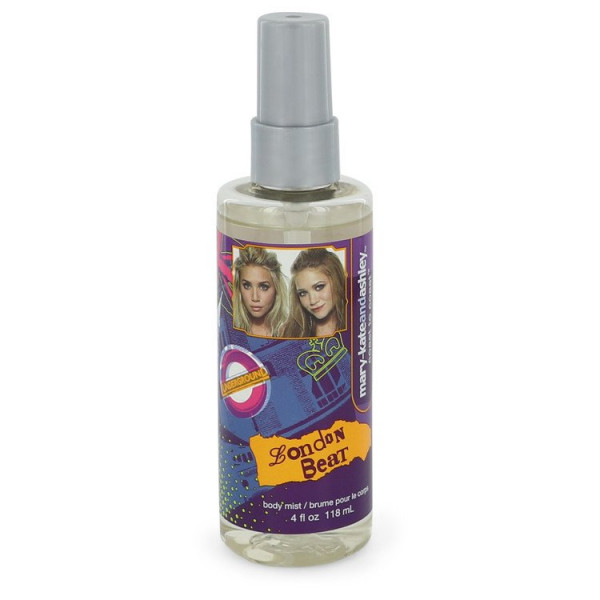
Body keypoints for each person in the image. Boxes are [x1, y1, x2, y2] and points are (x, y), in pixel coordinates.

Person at [284, 248, 346, 338]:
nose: (312, 301)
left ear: (337, 281)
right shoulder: (289, 332)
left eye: (319, 287)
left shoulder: (358, 325)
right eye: (303, 293)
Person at [233, 246, 288, 337]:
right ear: (238, 287)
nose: (255, 298)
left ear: (276, 288)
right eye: (247, 286)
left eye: (263, 287)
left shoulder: (290, 331)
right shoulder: (229, 329)